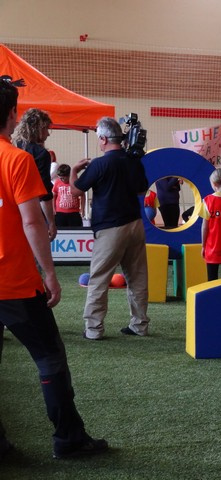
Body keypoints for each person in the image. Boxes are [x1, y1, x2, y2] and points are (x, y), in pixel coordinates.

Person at [0, 75, 108, 460]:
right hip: (13, 282)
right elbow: (32, 222)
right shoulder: (17, 159)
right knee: (49, 357)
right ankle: (69, 439)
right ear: (12, 115)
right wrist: (49, 274)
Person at [69, 117, 150, 339]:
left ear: (103, 139)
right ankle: (140, 325)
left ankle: (94, 329)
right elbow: (141, 191)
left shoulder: (99, 164)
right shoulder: (133, 161)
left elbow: (76, 191)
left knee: (99, 278)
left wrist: (74, 170)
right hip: (135, 224)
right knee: (137, 278)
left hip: (110, 229)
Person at [13, 107, 57, 241]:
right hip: (32, 213)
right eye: (46, 129)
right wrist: (51, 222)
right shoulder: (41, 154)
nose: (48, 134)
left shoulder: (11, 147)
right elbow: (44, 193)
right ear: (38, 129)